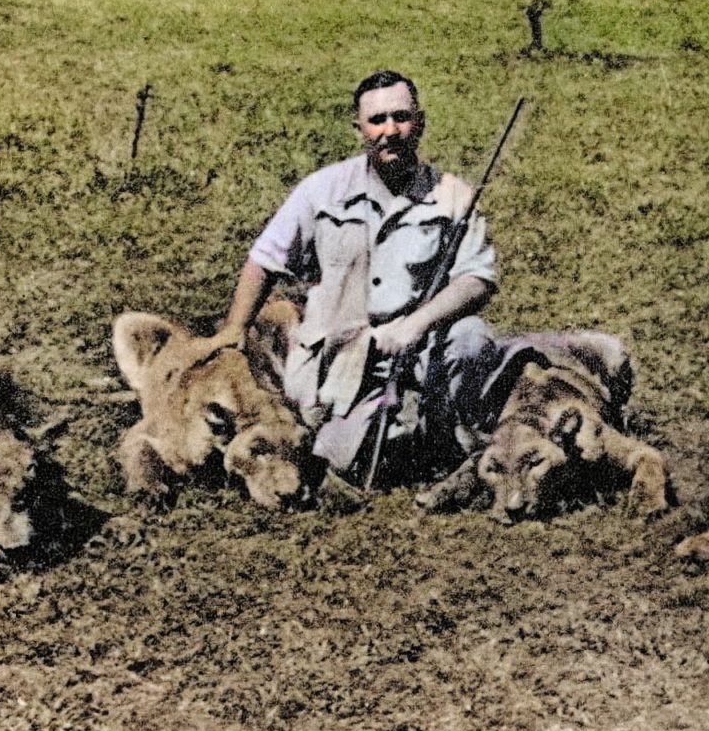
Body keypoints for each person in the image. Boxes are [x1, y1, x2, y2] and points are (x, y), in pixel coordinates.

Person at [208, 70, 503, 478]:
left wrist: (415, 325)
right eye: (377, 120)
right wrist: (235, 327)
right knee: (339, 458)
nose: (391, 130)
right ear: (359, 128)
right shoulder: (321, 191)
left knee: (472, 338)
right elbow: (265, 258)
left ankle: (448, 437)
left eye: (401, 117)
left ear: (420, 121)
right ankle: (393, 429)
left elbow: (478, 278)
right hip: (340, 354)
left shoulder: (453, 195)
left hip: (420, 346)